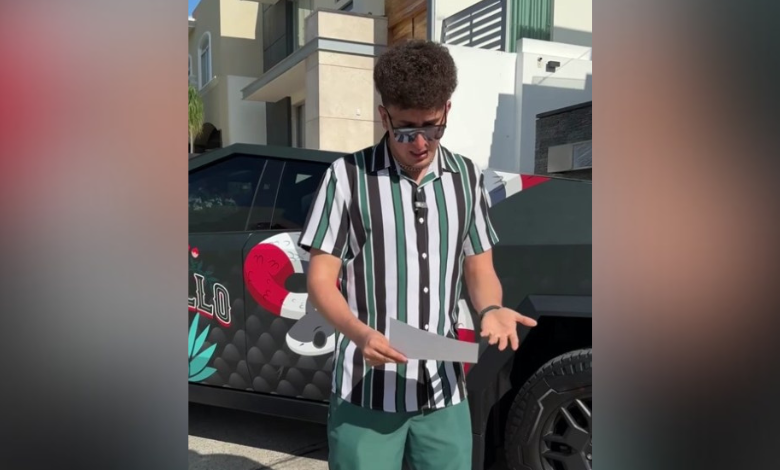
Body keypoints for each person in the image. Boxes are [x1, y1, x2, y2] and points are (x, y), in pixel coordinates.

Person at [298, 39, 537, 470]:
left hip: (443, 391)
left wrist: (491, 308)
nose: (421, 143)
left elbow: (479, 268)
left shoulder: (466, 177)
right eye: (406, 130)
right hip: (367, 390)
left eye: (433, 127)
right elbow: (319, 281)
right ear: (383, 116)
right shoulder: (346, 178)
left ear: (447, 110)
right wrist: (360, 334)